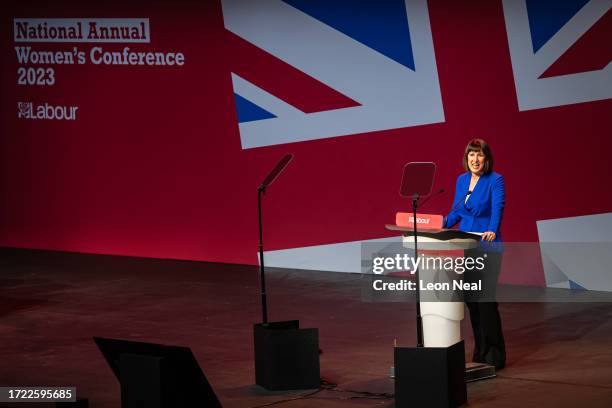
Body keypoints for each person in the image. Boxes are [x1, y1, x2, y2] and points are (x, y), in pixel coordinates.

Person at [444, 138, 506, 369]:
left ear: (486, 158)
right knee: (472, 301)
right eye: (471, 155)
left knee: (485, 301)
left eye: (479, 155)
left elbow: (497, 208)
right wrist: (439, 224)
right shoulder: (461, 180)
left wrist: (492, 229)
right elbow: (455, 212)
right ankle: (481, 352)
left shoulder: (495, 180)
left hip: (487, 246)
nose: (475, 159)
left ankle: (495, 355)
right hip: (466, 247)